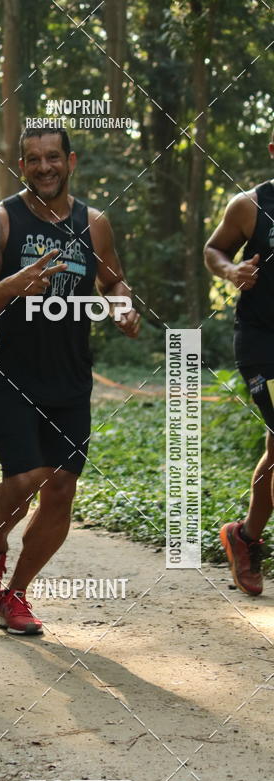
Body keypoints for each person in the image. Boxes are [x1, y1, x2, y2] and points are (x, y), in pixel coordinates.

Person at [0, 126, 140, 636]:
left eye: (53, 157)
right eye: (34, 159)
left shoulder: (93, 224)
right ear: (22, 165)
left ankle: (16, 595)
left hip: (70, 377)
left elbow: (113, 280)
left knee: (60, 489)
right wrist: (13, 285)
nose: (45, 167)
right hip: (11, 373)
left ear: (70, 161)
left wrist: (123, 306)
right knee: (26, 478)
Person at [204, 133, 274, 596]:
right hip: (263, 342)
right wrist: (231, 271)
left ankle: (245, 537)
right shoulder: (250, 206)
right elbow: (213, 250)